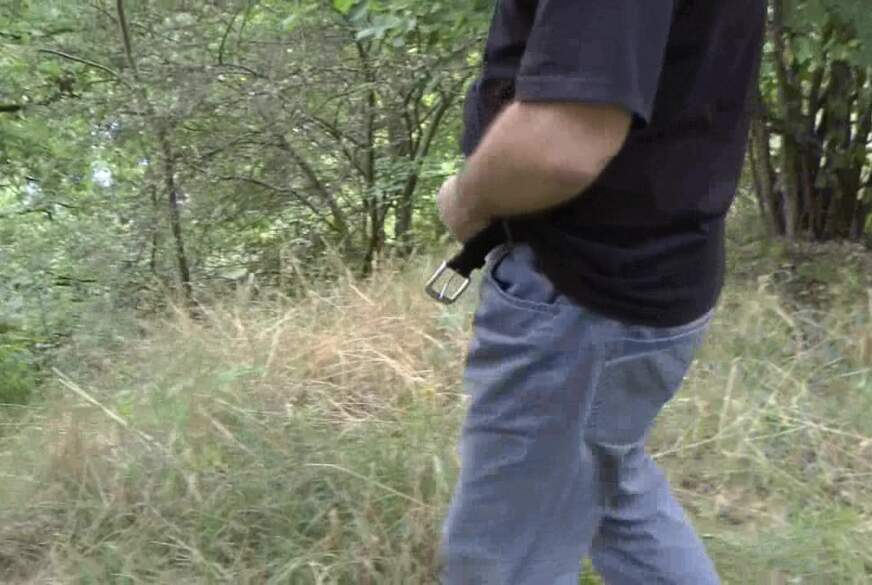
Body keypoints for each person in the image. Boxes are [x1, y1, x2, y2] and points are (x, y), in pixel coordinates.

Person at [435, 1, 766, 584]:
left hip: (582, 296)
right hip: (647, 272)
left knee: (500, 564)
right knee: (607, 482)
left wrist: (465, 200)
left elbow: (561, 140)